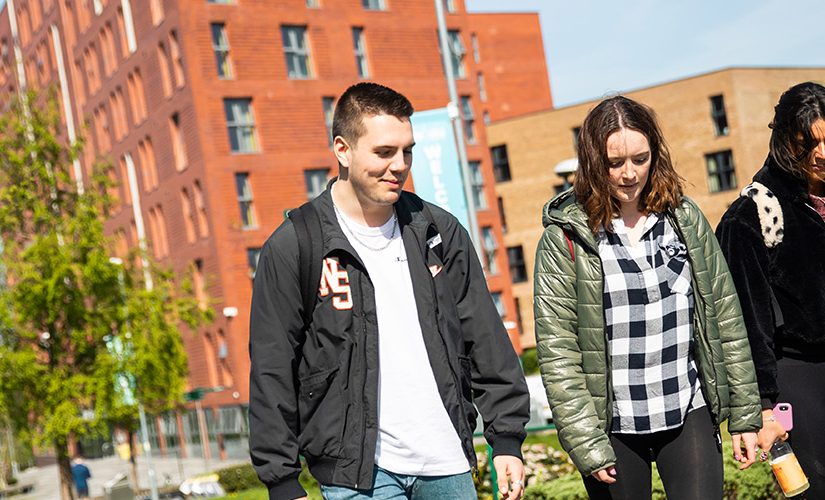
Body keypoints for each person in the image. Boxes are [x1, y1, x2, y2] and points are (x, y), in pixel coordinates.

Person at [249, 82, 530, 500]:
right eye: (384, 152)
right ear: (342, 149)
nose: (399, 165)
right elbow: (272, 366)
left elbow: (484, 336)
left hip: (446, 463)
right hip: (357, 476)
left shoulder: (438, 231)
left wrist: (506, 438)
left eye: (407, 151)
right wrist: (282, 481)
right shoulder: (296, 245)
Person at [532, 95, 762, 499]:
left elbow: (725, 317)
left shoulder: (683, 219)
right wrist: (587, 442)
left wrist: (744, 416)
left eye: (640, 159)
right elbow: (558, 354)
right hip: (614, 428)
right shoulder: (565, 239)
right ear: (591, 162)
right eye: (614, 163)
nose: (629, 174)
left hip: (686, 408)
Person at [716, 81, 825, 499]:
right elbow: (745, 325)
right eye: (807, 143)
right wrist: (760, 408)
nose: (821, 153)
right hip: (797, 379)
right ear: (784, 139)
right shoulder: (754, 213)